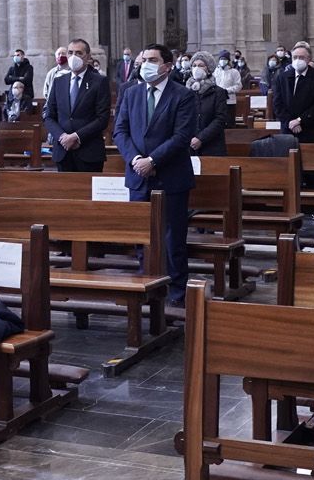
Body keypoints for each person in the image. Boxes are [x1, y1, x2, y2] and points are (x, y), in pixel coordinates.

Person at [112, 44, 198, 304]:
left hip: (170, 176)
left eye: (152, 60)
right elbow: (120, 131)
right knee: (142, 237)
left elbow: (182, 136)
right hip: (138, 175)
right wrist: (136, 159)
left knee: (173, 240)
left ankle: (176, 294)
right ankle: (147, 286)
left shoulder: (182, 95)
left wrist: (153, 160)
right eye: (143, 59)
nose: (145, 64)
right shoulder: (131, 93)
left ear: (167, 66)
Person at [43, 38, 111, 171]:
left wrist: (76, 137)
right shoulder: (58, 81)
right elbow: (49, 116)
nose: (74, 56)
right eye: (70, 52)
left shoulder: (99, 82)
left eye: (79, 53)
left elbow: (102, 118)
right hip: (63, 151)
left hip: (89, 151)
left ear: (88, 57)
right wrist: (62, 137)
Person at [272, 43, 314, 143]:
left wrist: (299, 120)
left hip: (310, 129)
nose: (298, 60)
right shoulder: (282, 77)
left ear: (309, 59)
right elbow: (277, 103)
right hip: (288, 129)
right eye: (295, 57)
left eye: (301, 57)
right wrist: (289, 122)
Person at [186, 52, 233, 156]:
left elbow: (220, 119)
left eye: (201, 65)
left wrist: (201, 138)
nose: (196, 68)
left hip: (212, 145)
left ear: (209, 69)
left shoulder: (218, 92)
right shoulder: (186, 92)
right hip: (189, 145)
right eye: (194, 65)